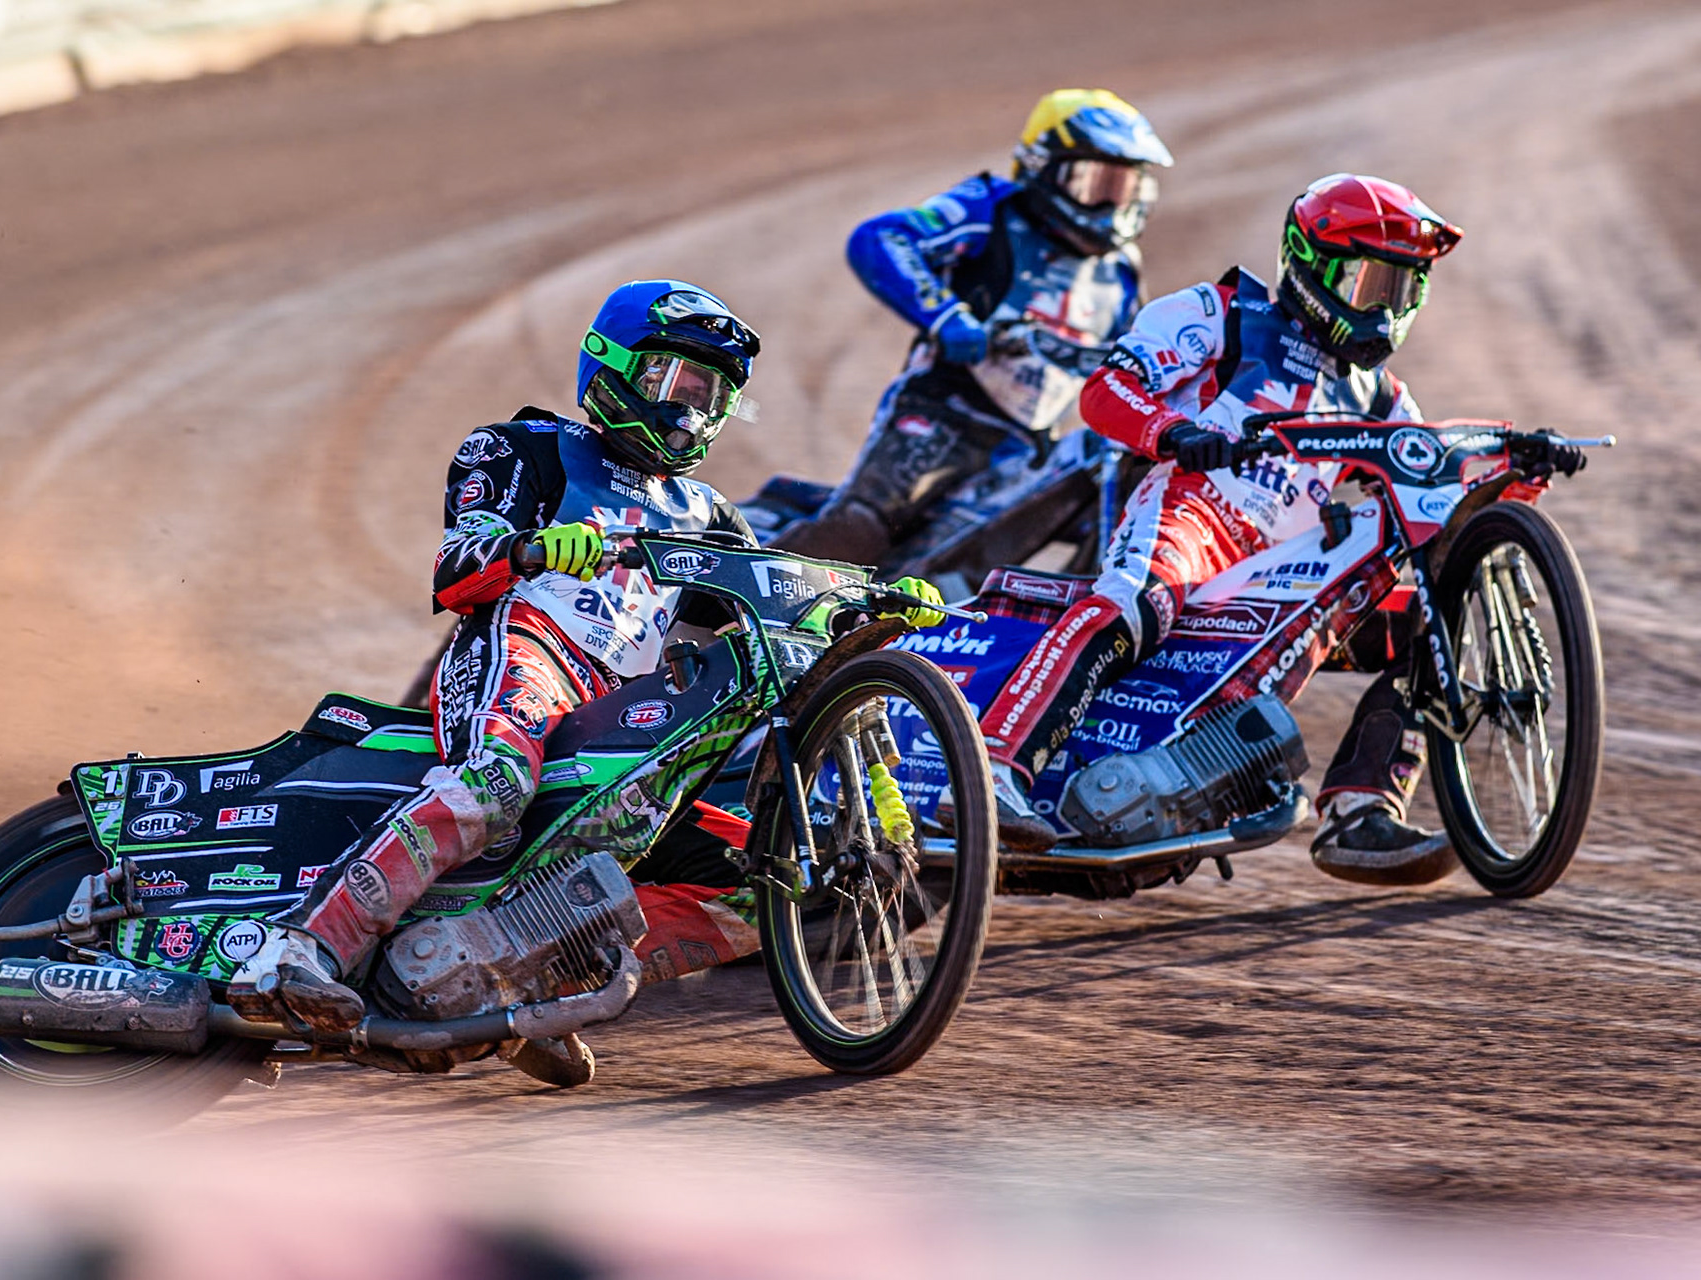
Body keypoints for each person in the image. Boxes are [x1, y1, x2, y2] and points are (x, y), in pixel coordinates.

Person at [229, 279, 942, 1039]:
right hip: (527, 652)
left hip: (623, 709)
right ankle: (295, 950)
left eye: (712, 394)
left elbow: (770, 606)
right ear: (611, 365)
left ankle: (520, 987)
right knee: (495, 783)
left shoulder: (707, 515)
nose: (690, 408)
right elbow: (455, 566)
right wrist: (533, 549)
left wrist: (866, 603)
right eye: (673, 380)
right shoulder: (524, 448)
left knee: (760, 882)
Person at [971, 173, 1508, 879]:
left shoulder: (1381, 396)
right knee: (1133, 604)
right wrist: (1172, 432)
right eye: (1370, 283)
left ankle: (1360, 811)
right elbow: (1106, 394)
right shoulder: (1220, 311)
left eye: (1402, 291)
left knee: (1431, 631)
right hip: (1193, 517)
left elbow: (1425, 479)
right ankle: (994, 768)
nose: (1384, 309)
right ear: (1312, 265)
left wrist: (1515, 455)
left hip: (1283, 575)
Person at [772, 88, 1172, 567]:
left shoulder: (1124, 269)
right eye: (1094, 184)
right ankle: (743, 599)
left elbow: (1140, 358)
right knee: (863, 530)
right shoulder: (991, 207)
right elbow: (882, 238)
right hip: (945, 412)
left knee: (1129, 504)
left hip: (1033, 448)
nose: (1109, 205)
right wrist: (948, 318)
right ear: (1043, 167)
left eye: (1122, 187)